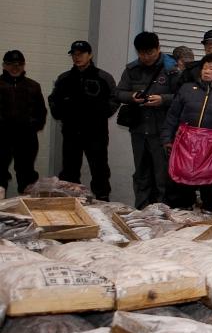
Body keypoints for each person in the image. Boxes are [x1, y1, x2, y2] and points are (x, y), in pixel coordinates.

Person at [162, 54, 212, 214]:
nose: (207, 71)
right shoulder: (187, 89)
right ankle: (184, 209)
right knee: (181, 176)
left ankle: (209, 209)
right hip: (186, 143)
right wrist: (168, 138)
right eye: (205, 67)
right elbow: (172, 115)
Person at [48, 40, 118, 200]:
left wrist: (101, 114)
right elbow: (53, 99)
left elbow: (114, 99)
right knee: (69, 170)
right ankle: (69, 201)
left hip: (96, 133)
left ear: (90, 55)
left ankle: (103, 201)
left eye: (81, 54)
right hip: (71, 132)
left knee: (99, 170)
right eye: (74, 54)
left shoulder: (103, 77)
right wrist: (59, 113)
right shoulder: (64, 78)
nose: (77, 57)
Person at [115, 31, 177, 208]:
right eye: (142, 53)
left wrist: (162, 100)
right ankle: (142, 210)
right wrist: (132, 96)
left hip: (162, 131)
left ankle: (163, 211)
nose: (146, 57)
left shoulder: (171, 69)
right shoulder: (132, 69)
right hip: (139, 130)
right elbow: (118, 92)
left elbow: (181, 97)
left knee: (162, 175)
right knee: (142, 174)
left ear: (158, 49)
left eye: (150, 52)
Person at [0, 50, 47, 198]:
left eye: (19, 64)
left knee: (27, 174)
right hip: (1, 139)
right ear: (4, 65)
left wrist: (32, 128)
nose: (15, 67)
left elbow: (42, 112)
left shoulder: (33, 86)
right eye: (11, 64)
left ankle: (26, 212)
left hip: (26, 139)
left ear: (24, 65)